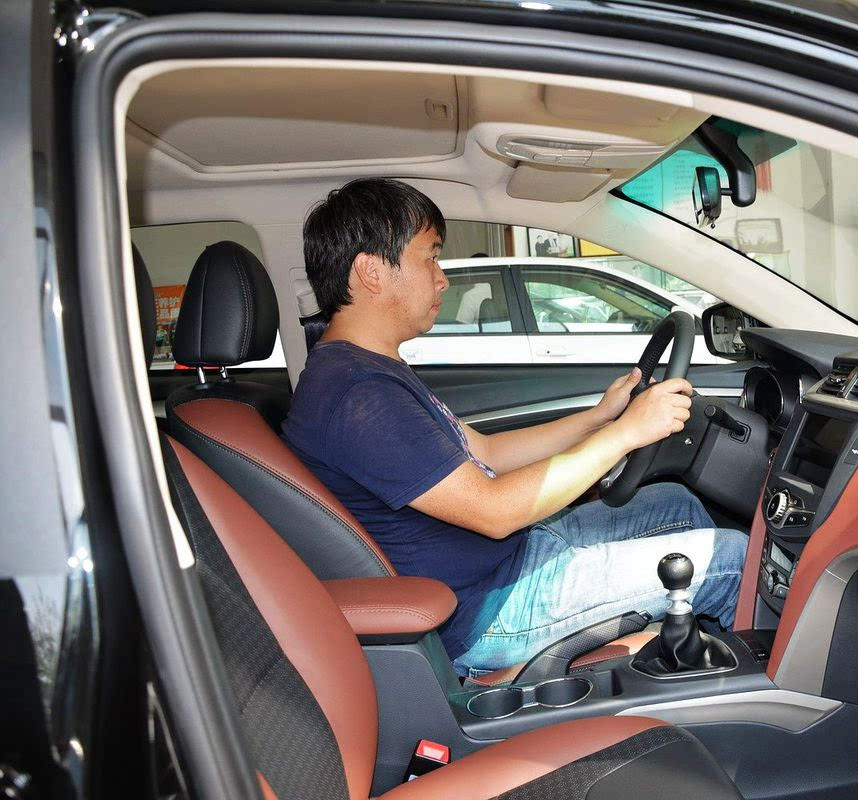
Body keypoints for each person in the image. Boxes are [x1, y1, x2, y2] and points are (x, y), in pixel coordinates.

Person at [283, 178, 747, 677]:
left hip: (511, 557)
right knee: (731, 558)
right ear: (371, 272)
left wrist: (600, 417)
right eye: (430, 258)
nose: (442, 279)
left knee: (677, 503)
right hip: (491, 608)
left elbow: (487, 452)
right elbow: (495, 511)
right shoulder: (358, 395)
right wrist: (626, 434)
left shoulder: (371, 369)